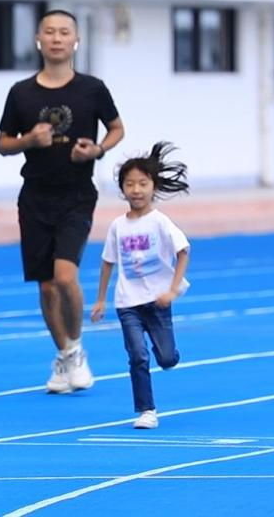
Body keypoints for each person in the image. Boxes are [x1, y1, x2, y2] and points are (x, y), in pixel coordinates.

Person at [0, 9, 125, 394]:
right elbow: (3, 143)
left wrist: (97, 150)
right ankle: (67, 353)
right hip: (35, 197)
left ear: (76, 41)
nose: (57, 38)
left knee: (65, 277)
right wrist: (28, 141)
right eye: (50, 32)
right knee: (47, 288)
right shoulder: (21, 92)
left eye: (64, 32)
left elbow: (117, 128)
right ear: (38, 40)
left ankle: (76, 349)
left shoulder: (92, 89)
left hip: (76, 195)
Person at [91, 141, 191, 430]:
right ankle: (146, 410)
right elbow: (107, 262)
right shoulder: (117, 226)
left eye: (143, 183)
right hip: (128, 303)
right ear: (122, 188)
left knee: (167, 358)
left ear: (153, 186)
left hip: (157, 302)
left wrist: (172, 289)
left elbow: (183, 251)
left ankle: (169, 353)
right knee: (137, 356)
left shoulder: (160, 222)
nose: (136, 190)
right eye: (130, 184)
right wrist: (101, 299)